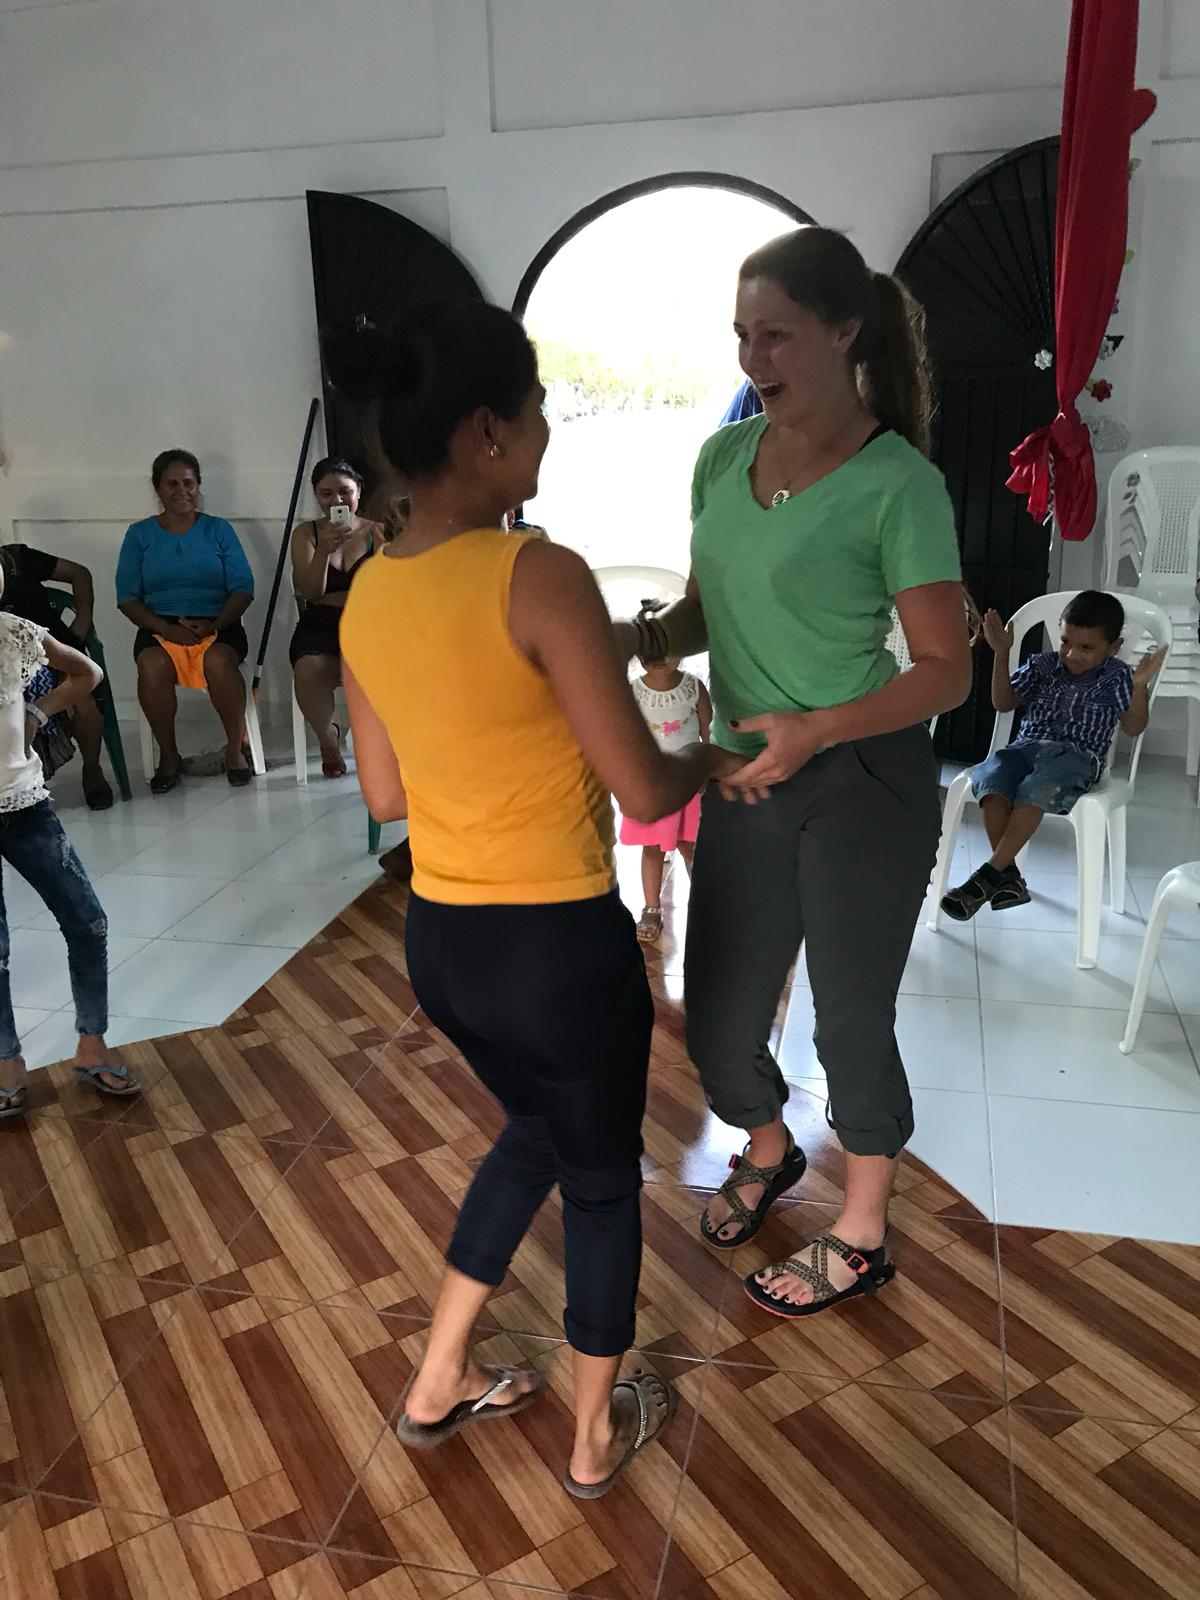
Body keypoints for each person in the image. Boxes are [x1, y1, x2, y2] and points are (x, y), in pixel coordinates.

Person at [331, 301, 739, 1494]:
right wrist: (719, 757)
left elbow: (385, 793)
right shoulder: (538, 574)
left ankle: (438, 1376)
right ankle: (593, 1438)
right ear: (485, 432)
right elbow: (645, 782)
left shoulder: (367, 593)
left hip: (445, 945)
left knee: (534, 1133)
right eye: (540, 408)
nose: (549, 429)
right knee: (602, 1180)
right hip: (559, 950)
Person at [614, 225, 971, 1319]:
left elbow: (948, 671)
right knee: (721, 1012)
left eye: (775, 335)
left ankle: (861, 1229)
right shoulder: (723, 458)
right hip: (747, 776)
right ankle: (767, 1148)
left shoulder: (899, 483)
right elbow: (708, 605)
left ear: (845, 330)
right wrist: (644, 635)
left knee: (848, 1018)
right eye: (741, 335)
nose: (752, 358)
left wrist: (818, 728)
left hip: (864, 778)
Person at [941, 590, 1166, 919]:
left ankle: (987, 875)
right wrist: (1002, 653)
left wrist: (1139, 686)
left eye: (1086, 648)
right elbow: (1003, 703)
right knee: (991, 778)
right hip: (1024, 748)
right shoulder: (1043, 665)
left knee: (1038, 787)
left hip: (1076, 757)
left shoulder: (1118, 676)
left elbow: (1134, 727)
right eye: (1065, 642)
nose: (1071, 654)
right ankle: (1006, 879)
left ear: (1113, 647)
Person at [0, 601, 140, 1118]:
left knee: (87, 921)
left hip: (24, 805)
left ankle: (92, 1045)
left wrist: (37, 712)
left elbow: (87, 673)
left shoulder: (13, 632)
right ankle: (6, 1060)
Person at [115, 449, 255, 793]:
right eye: (172, 484)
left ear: (198, 485)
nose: (182, 491)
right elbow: (127, 597)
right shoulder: (140, 535)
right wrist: (166, 630)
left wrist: (214, 625)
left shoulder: (218, 530)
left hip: (218, 622)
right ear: (158, 489)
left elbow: (243, 588)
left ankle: (235, 751)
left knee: (219, 661)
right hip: (160, 626)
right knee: (151, 664)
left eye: (189, 483)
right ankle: (169, 755)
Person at [288, 456, 384, 778]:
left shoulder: (378, 532)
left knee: (383, 669)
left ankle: (378, 747)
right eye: (326, 494)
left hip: (369, 626)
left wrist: (340, 596)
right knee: (308, 669)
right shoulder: (307, 534)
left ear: (358, 491)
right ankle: (328, 738)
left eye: (345, 491)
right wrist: (324, 552)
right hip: (321, 626)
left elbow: (385, 590)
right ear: (316, 496)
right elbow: (311, 592)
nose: (337, 500)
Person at [0, 544, 113, 810]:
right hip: (8, 665)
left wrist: (82, 623)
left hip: (54, 653)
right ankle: (22, 778)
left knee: (82, 699)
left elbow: (79, 573)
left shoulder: (18, 559)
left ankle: (92, 770)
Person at [620, 656, 711, 943]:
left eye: (667, 648)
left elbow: (707, 731)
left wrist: (706, 771)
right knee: (651, 847)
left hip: (688, 782)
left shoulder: (693, 688)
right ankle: (651, 908)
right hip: (652, 784)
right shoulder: (634, 692)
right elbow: (626, 737)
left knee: (690, 846)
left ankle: (705, 908)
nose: (658, 658)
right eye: (651, 649)